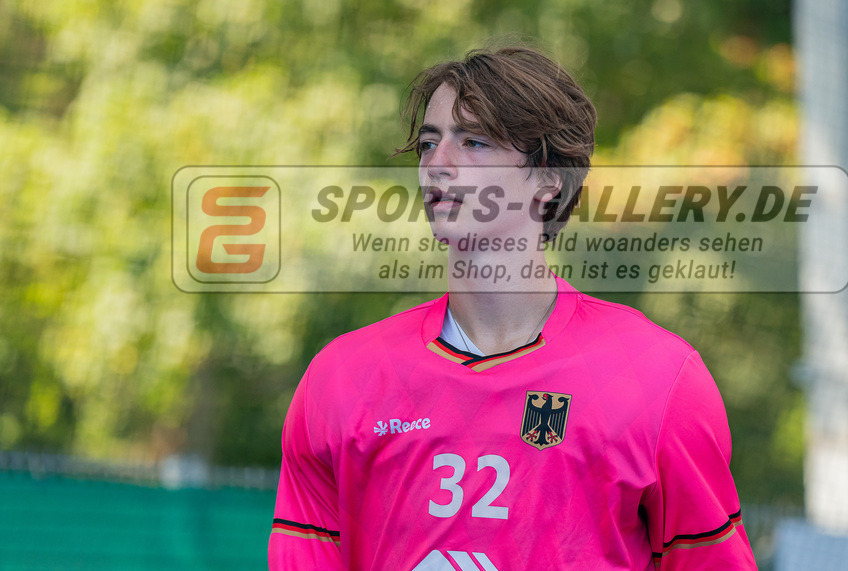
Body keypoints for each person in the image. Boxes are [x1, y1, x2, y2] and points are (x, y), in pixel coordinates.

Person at [269, 46, 757, 569]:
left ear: (549, 179)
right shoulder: (343, 376)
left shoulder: (660, 379)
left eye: (474, 142)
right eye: (429, 143)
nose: (437, 164)